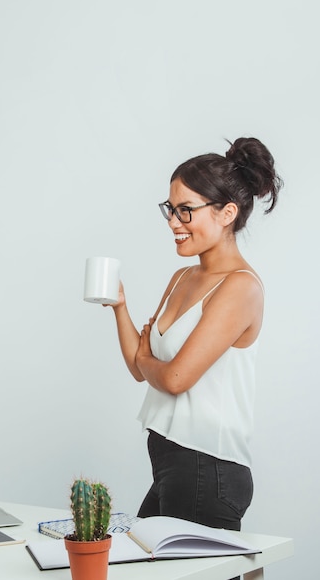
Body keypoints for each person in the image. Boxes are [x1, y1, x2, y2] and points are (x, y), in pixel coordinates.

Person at [108, 136, 283, 532]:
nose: (173, 222)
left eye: (186, 211)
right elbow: (141, 369)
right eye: (170, 210)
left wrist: (149, 360)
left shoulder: (240, 287)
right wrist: (120, 307)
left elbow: (174, 379)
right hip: (173, 462)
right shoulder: (182, 278)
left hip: (207, 467)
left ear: (227, 213)